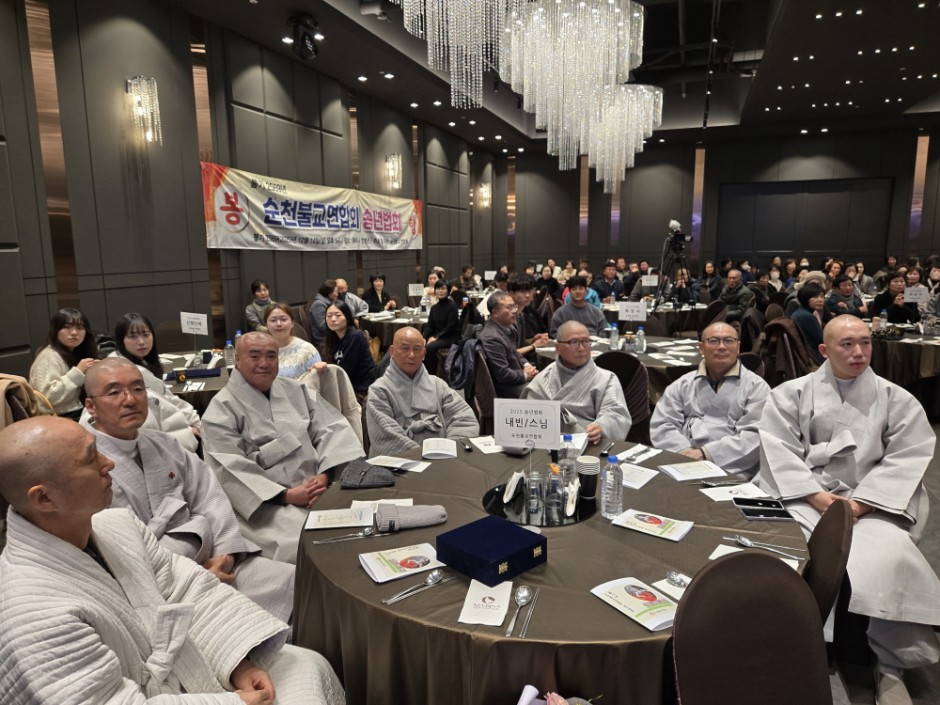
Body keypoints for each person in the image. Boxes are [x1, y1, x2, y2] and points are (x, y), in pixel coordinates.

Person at [0, 416, 345, 705]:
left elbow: (188, 588)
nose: (109, 463)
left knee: (307, 665)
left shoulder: (119, 525)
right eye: (91, 458)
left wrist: (238, 662)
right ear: (44, 498)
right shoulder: (32, 615)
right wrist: (233, 701)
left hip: (192, 665)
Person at [755, 316, 940, 705]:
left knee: (891, 556)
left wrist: (860, 503)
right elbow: (778, 449)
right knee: (789, 548)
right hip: (804, 496)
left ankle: (889, 663)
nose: (859, 352)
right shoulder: (790, 394)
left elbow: (908, 456)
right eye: (847, 344)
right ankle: (798, 646)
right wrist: (817, 497)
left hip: (871, 500)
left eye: (865, 343)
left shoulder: (896, 398)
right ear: (825, 350)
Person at [82, 358, 294, 621]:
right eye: (114, 392)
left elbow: (210, 496)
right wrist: (196, 569)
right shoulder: (85, 465)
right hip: (161, 588)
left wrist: (225, 552)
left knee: (293, 581)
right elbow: (123, 548)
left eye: (137, 389)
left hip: (214, 558)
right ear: (90, 406)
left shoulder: (165, 444)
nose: (130, 400)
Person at [202, 332, 364, 562]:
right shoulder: (219, 411)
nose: (264, 363)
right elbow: (229, 469)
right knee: (305, 546)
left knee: (364, 526)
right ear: (237, 359)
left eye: (271, 356)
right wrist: (287, 496)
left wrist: (325, 476)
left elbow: (332, 430)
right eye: (254, 356)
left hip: (318, 489)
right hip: (267, 505)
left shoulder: (297, 391)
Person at [650, 322, 769, 477]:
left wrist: (706, 454)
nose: (721, 347)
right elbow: (663, 423)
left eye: (729, 341)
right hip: (682, 462)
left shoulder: (757, 387)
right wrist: (684, 452)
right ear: (701, 348)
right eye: (713, 341)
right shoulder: (682, 384)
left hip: (734, 468)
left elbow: (755, 435)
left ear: (738, 347)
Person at [366, 327, 479, 456]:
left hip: (444, 459)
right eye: (405, 348)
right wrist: (422, 457)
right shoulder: (379, 391)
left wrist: (450, 450)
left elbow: (464, 420)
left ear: (424, 354)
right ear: (392, 351)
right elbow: (386, 439)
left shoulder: (438, 385)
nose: (411, 355)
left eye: (417, 349)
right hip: (399, 464)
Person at [107, 312, 202, 453]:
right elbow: (165, 407)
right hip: (153, 438)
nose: (141, 341)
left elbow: (167, 400)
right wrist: (191, 427)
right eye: (133, 336)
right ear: (121, 340)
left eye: (145, 334)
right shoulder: (131, 371)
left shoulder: (131, 361)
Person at [523, 322, 630, 444]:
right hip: (545, 443)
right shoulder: (544, 378)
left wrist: (601, 427)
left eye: (586, 341)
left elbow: (616, 413)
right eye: (574, 342)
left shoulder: (605, 378)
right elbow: (528, 415)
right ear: (558, 348)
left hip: (588, 444)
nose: (581, 348)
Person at [29, 307, 99, 420]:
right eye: (67, 327)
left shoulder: (76, 352)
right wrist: (78, 372)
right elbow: (48, 397)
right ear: (55, 330)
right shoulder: (49, 356)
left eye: (79, 327)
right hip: (57, 418)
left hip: (77, 411)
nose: (74, 332)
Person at [479, 290, 537, 398]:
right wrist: (525, 374)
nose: (515, 311)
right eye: (509, 307)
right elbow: (503, 374)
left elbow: (515, 353)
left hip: (515, 380)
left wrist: (527, 365)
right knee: (544, 393)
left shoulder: (501, 329)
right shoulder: (491, 337)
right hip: (507, 390)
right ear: (495, 312)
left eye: (514, 306)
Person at [325, 301, 376, 398]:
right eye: (329, 316)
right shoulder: (333, 338)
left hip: (361, 391)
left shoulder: (356, 336)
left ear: (347, 317)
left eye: (338, 315)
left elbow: (344, 371)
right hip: (345, 387)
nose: (333, 319)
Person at [264, 303, 324, 379]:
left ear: (292, 323)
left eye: (283, 319)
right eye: (273, 320)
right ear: (266, 324)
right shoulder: (261, 351)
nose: (279, 324)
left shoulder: (307, 349)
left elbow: (318, 380)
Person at [508, 274, 550, 363]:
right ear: (511, 293)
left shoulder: (520, 315)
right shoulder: (507, 318)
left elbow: (519, 344)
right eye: (522, 291)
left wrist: (532, 340)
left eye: (529, 291)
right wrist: (533, 346)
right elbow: (510, 354)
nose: (527, 295)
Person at [422, 279, 460, 375]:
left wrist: (436, 337)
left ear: (448, 291)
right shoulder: (434, 308)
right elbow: (430, 326)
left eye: (443, 289)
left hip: (450, 337)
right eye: (438, 288)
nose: (440, 291)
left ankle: (432, 374)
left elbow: (450, 327)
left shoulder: (452, 306)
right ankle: (423, 373)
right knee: (421, 344)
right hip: (438, 336)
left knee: (430, 347)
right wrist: (423, 337)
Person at [790, 282, 828, 364]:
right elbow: (822, 340)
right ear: (805, 298)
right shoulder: (806, 316)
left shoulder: (801, 312)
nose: (820, 300)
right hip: (813, 357)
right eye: (815, 297)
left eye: (822, 296)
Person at [308, 278, 338, 347]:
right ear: (329, 293)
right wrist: (340, 326)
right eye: (336, 291)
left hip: (331, 336)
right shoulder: (318, 305)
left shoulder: (329, 303)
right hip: (323, 340)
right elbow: (323, 327)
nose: (337, 294)